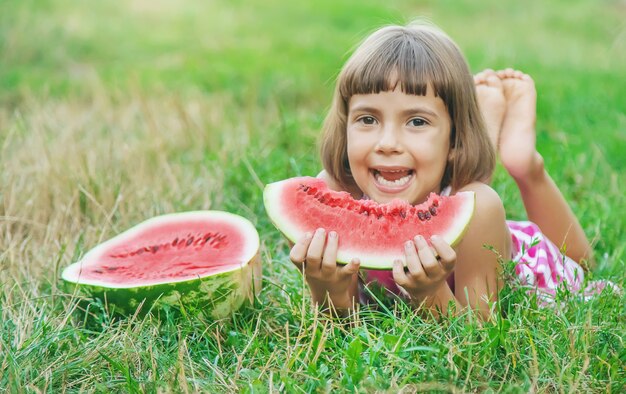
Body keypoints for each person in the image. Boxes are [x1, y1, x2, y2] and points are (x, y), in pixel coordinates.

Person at [288, 22, 615, 318]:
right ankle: (482, 119)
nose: (387, 143)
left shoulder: (479, 210)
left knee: (583, 263)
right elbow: (341, 327)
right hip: (450, 180)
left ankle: (525, 164)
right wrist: (325, 289)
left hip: (518, 256)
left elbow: (477, 338)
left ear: (456, 139)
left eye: (416, 121)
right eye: (367, 119)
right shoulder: (334, 195)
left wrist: (430, 293)